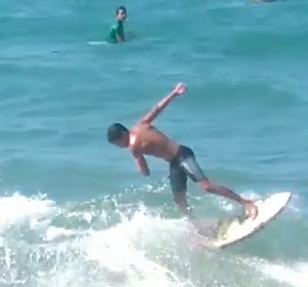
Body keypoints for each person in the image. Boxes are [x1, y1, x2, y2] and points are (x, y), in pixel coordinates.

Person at [106, 83, 258, 222]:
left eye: (118, 144)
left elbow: (145, 171)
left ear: (122, 136)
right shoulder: (141, 125)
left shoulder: (133, 148)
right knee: (180, 200)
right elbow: (157, 109)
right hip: (175, 161)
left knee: (206, 187)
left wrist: (139, 165)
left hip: (182, 155)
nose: (120, 147)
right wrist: (174, 93)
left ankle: (245, 202)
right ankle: (199, 228)